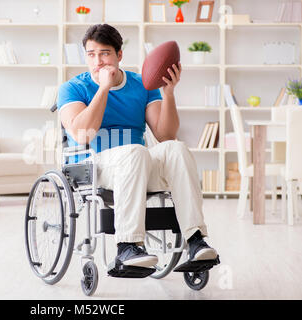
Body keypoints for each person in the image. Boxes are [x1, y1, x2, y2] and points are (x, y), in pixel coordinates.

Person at [57, 24, 218, 268]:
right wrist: (103, 88)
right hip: (95, 166)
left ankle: (196, 240)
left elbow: (165, 135)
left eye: (104, 53)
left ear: (119, 55)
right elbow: (82, 134)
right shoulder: (73, 88)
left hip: (138, 164)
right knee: (136, 152)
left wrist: (169, 94)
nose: (98, 61)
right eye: (91, 55)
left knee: (176, 148)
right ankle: (127, 246)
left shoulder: (141, 85)